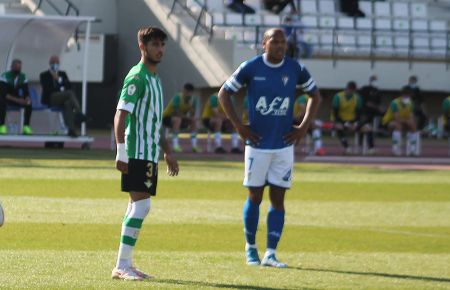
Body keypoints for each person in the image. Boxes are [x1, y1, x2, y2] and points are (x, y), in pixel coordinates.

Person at [218, 28, 321, 268]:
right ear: (264, 44)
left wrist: (303, 127)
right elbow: (224, 94)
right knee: (255, 196)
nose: (280, 46)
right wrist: (239, 127)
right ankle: (251, 249)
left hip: (284, 145)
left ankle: (271, 253)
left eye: (283, 42)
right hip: (257, 144)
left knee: (278, 198)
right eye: (274, 42)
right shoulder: (251, 67)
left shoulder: (295, 68)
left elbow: (315, 96)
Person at [112, 27, 179, 281]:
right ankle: (122, 265)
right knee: (141, 206)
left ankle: (125, 264)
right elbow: (120, 115)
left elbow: (155, 120)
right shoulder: (137, 77)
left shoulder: (156, 79)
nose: (160, 49)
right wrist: (121, 151)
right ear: (142, 47)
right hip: (136, 151)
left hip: (149, 153)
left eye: (162, 45)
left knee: (136, 206)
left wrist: (168, 151)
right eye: (155, 44)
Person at [40, 55, 88, 137]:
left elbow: (69, 85)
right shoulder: (44, 75)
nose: (55, 64)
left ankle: (71, 130)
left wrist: (59, 80)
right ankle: (78, 113)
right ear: (50, 63)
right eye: (53, 62)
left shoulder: (62, 74)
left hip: (63, 98)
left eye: (57, 62)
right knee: (69, 93)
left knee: (68, 104)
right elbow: (48, 89)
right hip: (51, 98)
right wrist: (58, 82)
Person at [163, 83, 201, 153]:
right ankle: (175, 145)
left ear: (191, 92)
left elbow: (192, 114)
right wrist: (188, 118)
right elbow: (175, 113)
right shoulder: (178, 97)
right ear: (183, 91)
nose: (187, 94)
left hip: (181, 119)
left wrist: (191, 109)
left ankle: (194, 146)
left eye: (189, 92)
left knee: (194, 122)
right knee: (177, 119)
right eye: (185, 92)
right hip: (166, 118)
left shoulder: (193, 100)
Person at [382, 86, 419, 156]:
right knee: (397, 125)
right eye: (406, 95)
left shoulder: (411, 103)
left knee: (413, 124)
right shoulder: (395, 103)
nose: (407, 97)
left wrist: (410, 121)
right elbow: (396, 118)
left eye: (409, 95)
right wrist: (406, 121)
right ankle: (395, 149)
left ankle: (412, 149)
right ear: (402, 95)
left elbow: (411, 116)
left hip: (403, 122)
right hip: (389, 122)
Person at [0, 59, 33, 135]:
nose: (18, 69)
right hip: (7, 98)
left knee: (29, 103)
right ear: (12, 67)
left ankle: (26, 127)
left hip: (17, 98)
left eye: (19, 68)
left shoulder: (23, 77)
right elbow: (3, 94)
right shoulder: (5, 76)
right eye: (16, 67)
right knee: (1, 103)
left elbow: (26, 92)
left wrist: (27, 98)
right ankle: (1, 126)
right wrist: (19, 100)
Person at [331, 81, 363, 155]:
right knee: (339, 127)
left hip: (352, 120)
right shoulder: (338, 97)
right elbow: (335, 113)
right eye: (349, 90)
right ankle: (347, 147)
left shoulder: (357, 98)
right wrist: (345, 123)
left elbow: (359, 114)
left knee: (367, 128)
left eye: (352, 90)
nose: (350, 92)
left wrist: (355, 123)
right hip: (339, 120)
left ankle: (368, 148)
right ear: (346, 88)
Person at [358, 75, 384, 154]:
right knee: (365, 128)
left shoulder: (377, 91)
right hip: (364, 113)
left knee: (369, 129)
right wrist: (376, 107)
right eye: (373, 80)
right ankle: (365, 146)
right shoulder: (365, 89)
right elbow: (365, 102)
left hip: (372, 114)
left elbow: (378, 103)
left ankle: (369, 147)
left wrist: (378, 108)